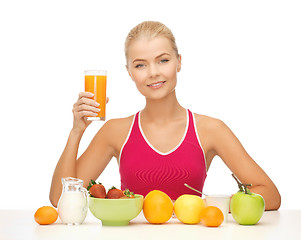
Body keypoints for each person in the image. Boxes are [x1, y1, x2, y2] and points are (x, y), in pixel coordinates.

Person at [49, 21, 281, 210]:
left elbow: (269, 195)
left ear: (179, 62)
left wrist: (206, 205)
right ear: (130, 73)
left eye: (163, 60)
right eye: (140, 65)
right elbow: (59, 198)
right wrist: (76, 131)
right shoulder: (115, 131)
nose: (154, 73)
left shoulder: (211, 129)